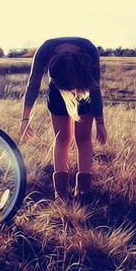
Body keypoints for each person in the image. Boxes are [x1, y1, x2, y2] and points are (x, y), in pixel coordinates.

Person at [19, 37, 107, 201]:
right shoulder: (44, 51)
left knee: (83, 139)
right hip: (57, 89)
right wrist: (25, 119)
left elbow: (95, 89)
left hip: (83, 87)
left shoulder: (90, 51)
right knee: (62, 138)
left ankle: (83, 192)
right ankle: (61, 194)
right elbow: (33, 85)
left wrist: (100, 122)